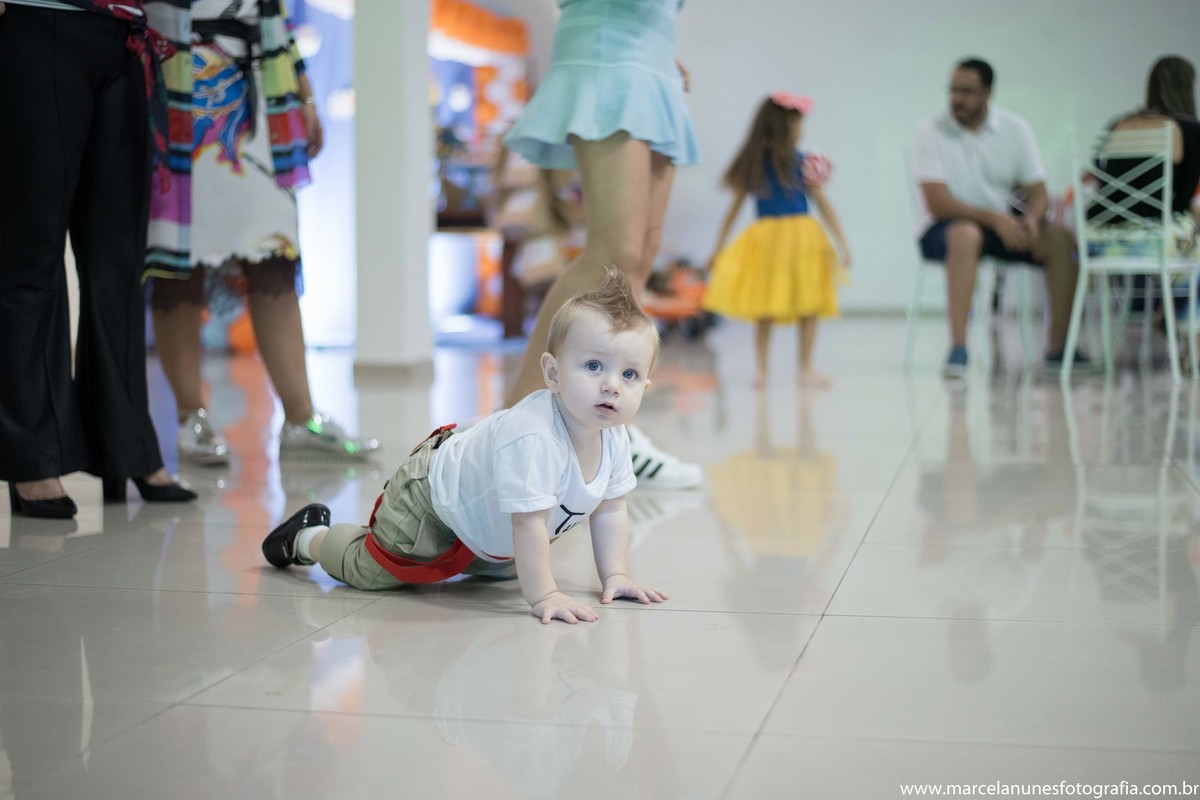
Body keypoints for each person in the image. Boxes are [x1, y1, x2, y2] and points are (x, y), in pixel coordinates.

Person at [261, 269, 669, 625]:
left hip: (482, 521)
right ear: (552, 373)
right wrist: (545, 595)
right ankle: (306, 537)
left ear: (645, 389)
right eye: (594, 366)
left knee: (513, 565)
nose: (611, 385)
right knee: (374, 571)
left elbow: (612, 507)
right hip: (430, 498)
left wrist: (615, 574)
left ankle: (476, 555)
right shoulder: (536, 437)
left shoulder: (614, 436)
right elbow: (528, 524)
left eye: (629, 374)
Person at [146, 0, 378, 466]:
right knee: (179, 258)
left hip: (258, 87)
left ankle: (301, 420)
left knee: (276, 252)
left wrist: (303, 92)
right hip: (175, 78)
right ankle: (192, 417)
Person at [0, 0, 196, 518]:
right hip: (38, 17)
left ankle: (127, 446)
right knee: (33, 253)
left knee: (118, 261)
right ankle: (31, 457)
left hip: (125, 33)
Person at [498, 0, 702, 490]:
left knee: (640, 257)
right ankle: (513, 435)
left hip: (652, 49)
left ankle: (610, 432)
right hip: (611, 41)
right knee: (614, 252)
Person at [911, 57, 1090, 379]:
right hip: (945, 230)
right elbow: (938, 202)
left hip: (1003, 228)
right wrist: (994, 219)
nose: (957, 98)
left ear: (988, 93)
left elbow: (1036, 190)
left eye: (966, 91)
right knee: (965, 234)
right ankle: (958, 349)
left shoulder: (1014, 128)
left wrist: (1032, 220)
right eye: (953, 90)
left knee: (1060, 238)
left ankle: (1058, 349)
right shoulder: (931, 131)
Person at [703, 92, 851, 389]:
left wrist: (842, 241)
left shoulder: (803, 163)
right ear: (784, 127)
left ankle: (805, 367)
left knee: (810, 302)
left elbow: (823, 204)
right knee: (765, 304)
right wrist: (717, 246)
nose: (801, 130)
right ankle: (763, 369)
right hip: (771, 241)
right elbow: (733, 210)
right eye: (797, 124)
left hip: (802, 240)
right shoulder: (757, 165)